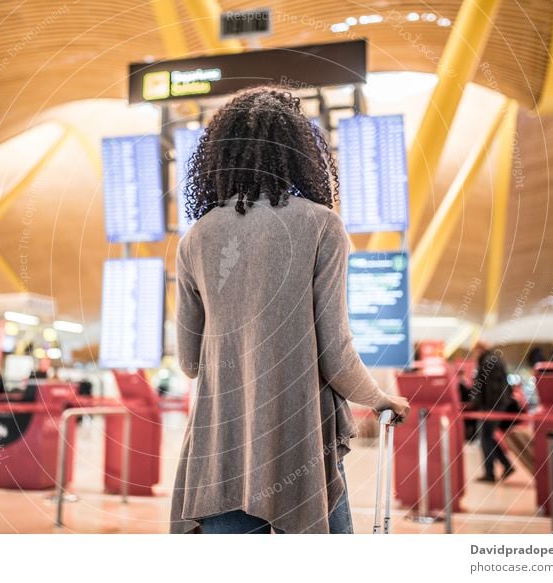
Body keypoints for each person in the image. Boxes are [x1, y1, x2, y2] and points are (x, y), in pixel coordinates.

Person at [170, 87, 410, 534]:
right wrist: (381, 400)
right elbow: (334, 353)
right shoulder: (321, 225)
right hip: (298, 456)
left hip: (220, 459)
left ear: (219, 154)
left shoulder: (195, 239)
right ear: (300, 152)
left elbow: (188, 362)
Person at [471, 342, 516, 482]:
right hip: (497, 404)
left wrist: (481, 405)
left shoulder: (486, 361)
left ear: (479, 349)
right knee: (488, 436)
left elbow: (487, 387)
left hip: (490, 406)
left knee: (485, 437)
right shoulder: (495, 359)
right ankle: (506, 464)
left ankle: (490, 473)